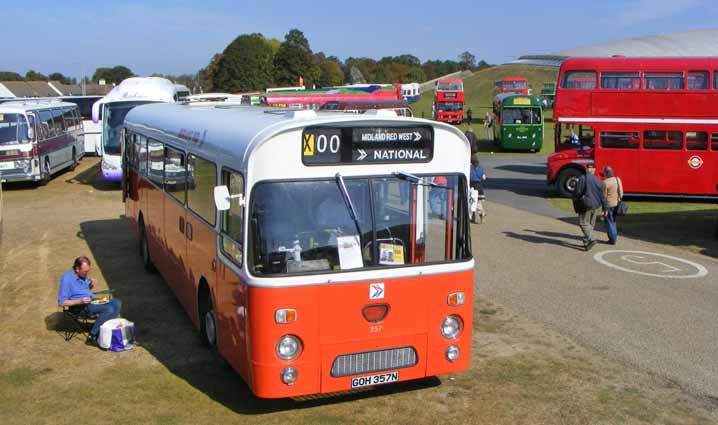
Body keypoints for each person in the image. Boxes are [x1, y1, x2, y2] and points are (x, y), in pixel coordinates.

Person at [58, 256, 122, 346]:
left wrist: (91, 285)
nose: (87, 273)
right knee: (109, 309)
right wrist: (80, 301)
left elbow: (85, 290)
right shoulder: (66, 279)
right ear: (77, 269)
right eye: (85, 271)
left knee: (117, 303)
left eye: (88, 271)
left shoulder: (81, 274)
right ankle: (92, 336)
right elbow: (61, 302)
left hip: (90, 301)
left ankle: (105, 330)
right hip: (79, 307)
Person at [572, 163, 607, 251]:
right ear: (594, 170)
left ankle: (592, 239)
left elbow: (577, 192)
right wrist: (605, 208)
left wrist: (576, 200)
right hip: (595, 205)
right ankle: (587, 242)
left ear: (586, 169)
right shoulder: (599, 181)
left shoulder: (582, 178)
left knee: (583, 223)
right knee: (590, 225)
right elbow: (603, 197)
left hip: (585, 204)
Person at [602, 165, 623, 245]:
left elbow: (603, 196)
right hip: (617, 203)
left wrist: (604, 208)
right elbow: (621, 192)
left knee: (609, 222)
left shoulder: (605, 182)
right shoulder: (618, 179)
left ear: (606, 173)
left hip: (609, 205)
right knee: (613, 221)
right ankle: (613, 236)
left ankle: (612, 239)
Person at [469, 156, 487, 220]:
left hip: (473, 186)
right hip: (479, 186)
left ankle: (480, 214)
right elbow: (483, 177)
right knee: (477, 202)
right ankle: (479, 215)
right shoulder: (480, 168)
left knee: (473, 202)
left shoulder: (470, 168)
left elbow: (470, 177)